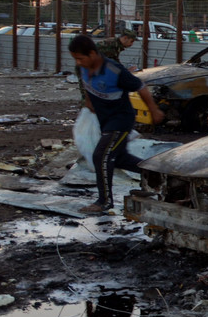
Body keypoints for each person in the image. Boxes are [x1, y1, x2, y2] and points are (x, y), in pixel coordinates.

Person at [69, 35, 164, 215]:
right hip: (105, 122)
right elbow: (87, 85)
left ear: (92, 54)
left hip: (120, 120)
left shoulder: (113, 70)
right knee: (120, 159)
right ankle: (160, 175)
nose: (78, 62)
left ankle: (104, 201)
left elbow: (140, 87)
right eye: (76, 59)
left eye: (80, 58)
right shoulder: (84, 68)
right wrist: (89, 102)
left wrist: (154, 110)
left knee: (101, 155)